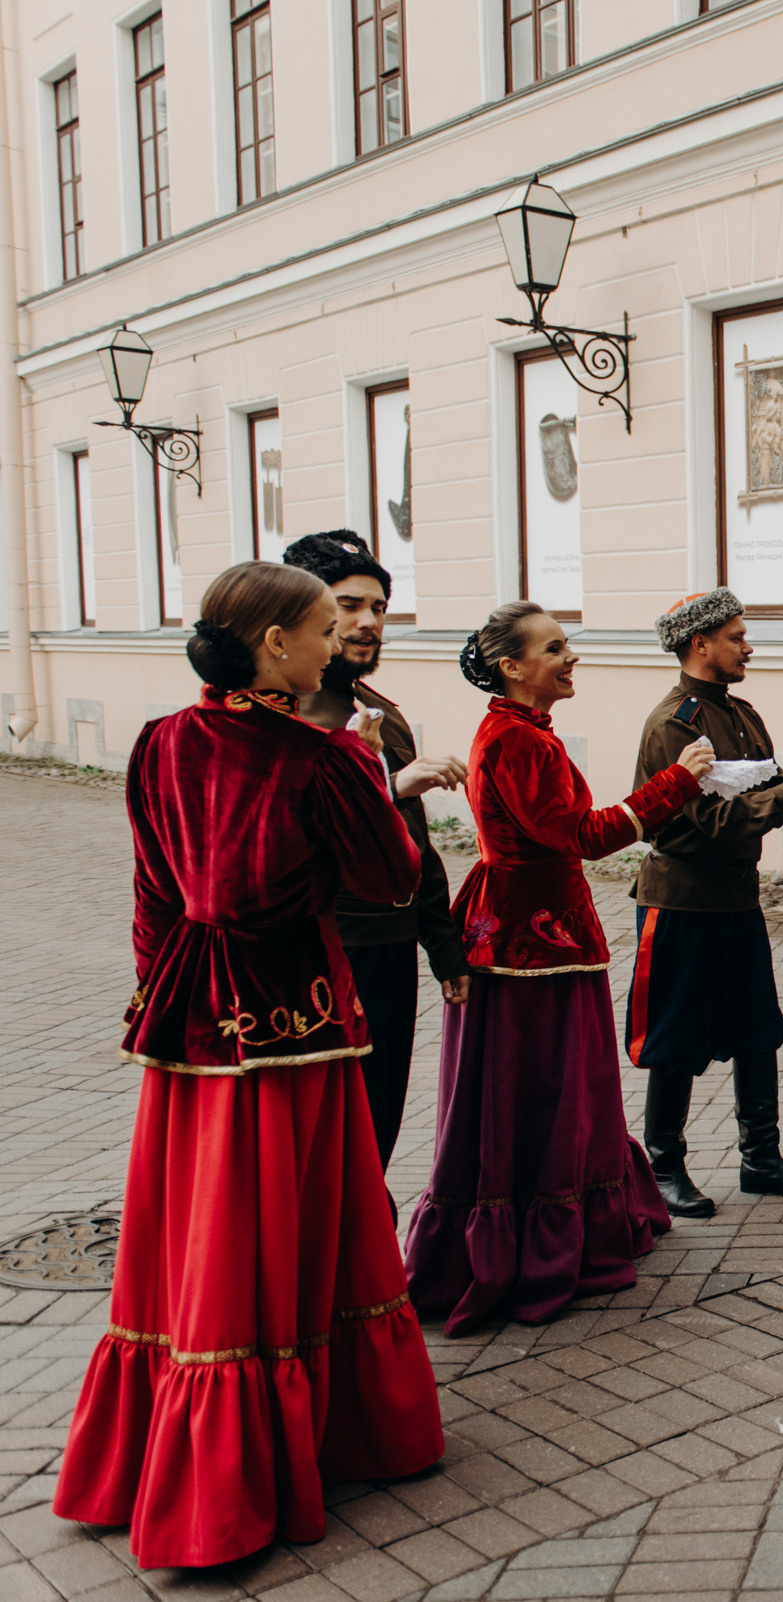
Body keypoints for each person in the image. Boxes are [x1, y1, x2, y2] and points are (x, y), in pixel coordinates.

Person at [52, 562, 445, 1567]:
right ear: (275, 644)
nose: (336, 642)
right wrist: (369, 777)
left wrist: (157, 1000)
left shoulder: (159, 741)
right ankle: (277, 1459)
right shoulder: (321, 760)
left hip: (191, 1016)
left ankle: (173, 1449)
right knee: (284, 1223)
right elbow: (390, 880)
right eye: (323, 628)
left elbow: (154, 891)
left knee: (200, 1233)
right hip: (290, 1021)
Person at [403, 602, 706, 1334]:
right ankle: (536, 1236)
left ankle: (554, 1216)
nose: (571, 658)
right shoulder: (517, 740)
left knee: (546, 1083)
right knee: (539, 1082)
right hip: (528, 938)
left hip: (533, 926)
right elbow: (581, 835)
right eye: (555, 648)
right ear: (513, 665)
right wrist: (677, 781)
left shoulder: (520, 732)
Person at [627, 589, 783, 1216]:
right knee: (675, 1039)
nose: (748, 646)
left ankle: (762, 1159)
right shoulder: (674, 724)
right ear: (702, 645)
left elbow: (776, 792)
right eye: (737, 636)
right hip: (681, 903)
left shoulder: (743, 713)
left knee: (757, 1030)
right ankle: (663, 1168)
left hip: (735, 901)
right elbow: (705, 822)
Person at [281, 532, 470, 1180]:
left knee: (379, 1118)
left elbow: (415, 839)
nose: (368, 621)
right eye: (349, 605)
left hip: (389, 947)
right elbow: (281, 837)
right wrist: (388, 786)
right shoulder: (280, 715)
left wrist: (442, 945)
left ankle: (365, 1267)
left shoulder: (379, 712)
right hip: (321, 953)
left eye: (380, 606)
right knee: (327, 1133)